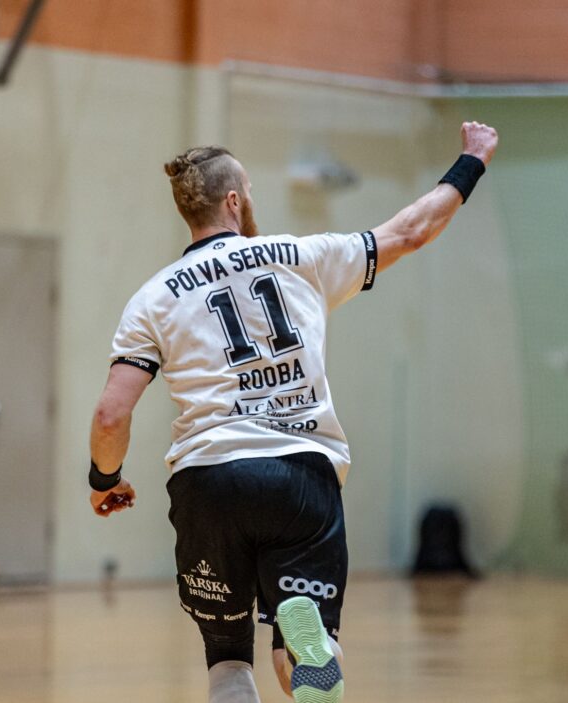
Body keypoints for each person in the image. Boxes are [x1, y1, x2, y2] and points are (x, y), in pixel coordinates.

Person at [88, 121, 499, 703]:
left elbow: (111, 414)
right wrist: (471, 161)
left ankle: (263, 661)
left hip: (208, 479)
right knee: (298, 648)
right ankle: (310, 646)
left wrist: (104, 479)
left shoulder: (153, 297)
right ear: (234, 201)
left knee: (227, 661)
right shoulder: (304, 256)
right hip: (300, 475)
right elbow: (412, 231)